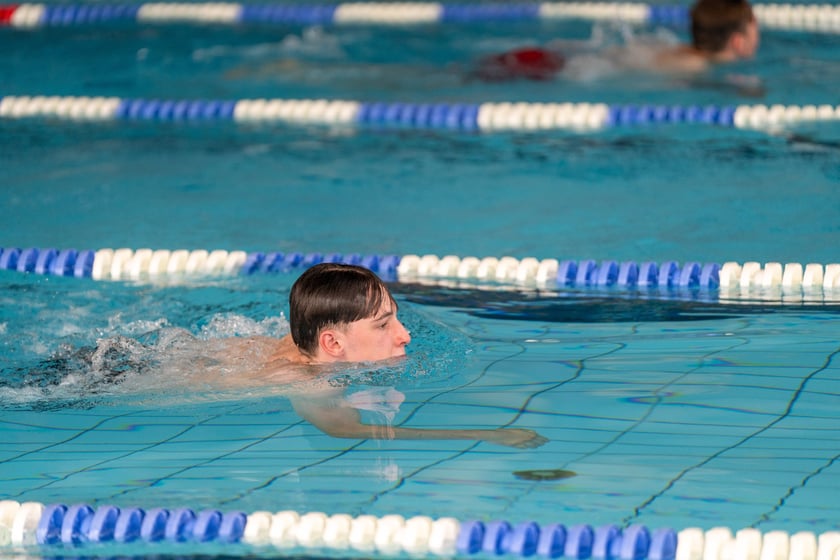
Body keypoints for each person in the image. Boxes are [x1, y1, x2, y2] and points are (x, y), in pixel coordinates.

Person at [474, 0, 759, 81]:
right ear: (738, 41)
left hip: (558, 60)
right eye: (754, 29)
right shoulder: (693, 68)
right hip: (554, 69)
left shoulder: (680, 50)